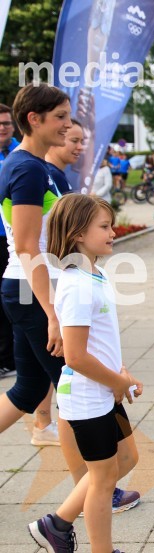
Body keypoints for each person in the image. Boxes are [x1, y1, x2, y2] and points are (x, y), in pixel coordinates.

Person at [29, 194, 142, 553]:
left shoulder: (95, 274)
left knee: (126, 459)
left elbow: (99, 341)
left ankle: (56, 524)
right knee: (103, 481)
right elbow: (75, 356)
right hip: (88, 398)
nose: (112, 233)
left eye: (111, 226)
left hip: (104, 389)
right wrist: (117, 381)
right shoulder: (77, 285)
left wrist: (121, 372)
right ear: (78, 233)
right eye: (104, 227)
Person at [0, 85, 74, 451]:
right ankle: (98, 480)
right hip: (33, 291)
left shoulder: (33, 165)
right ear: (34, 119)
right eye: (60, 117)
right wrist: (52, 313)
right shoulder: (27, 168)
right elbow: (27, 246)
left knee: (28, 388)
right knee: (76, 387)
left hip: (29, 289)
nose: (68, 125)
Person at [0, 102, 21, 380]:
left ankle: (10, 357)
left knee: (17, 300)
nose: (2, 128)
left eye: (6, 123)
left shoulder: (21, 154)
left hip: (16, 241)